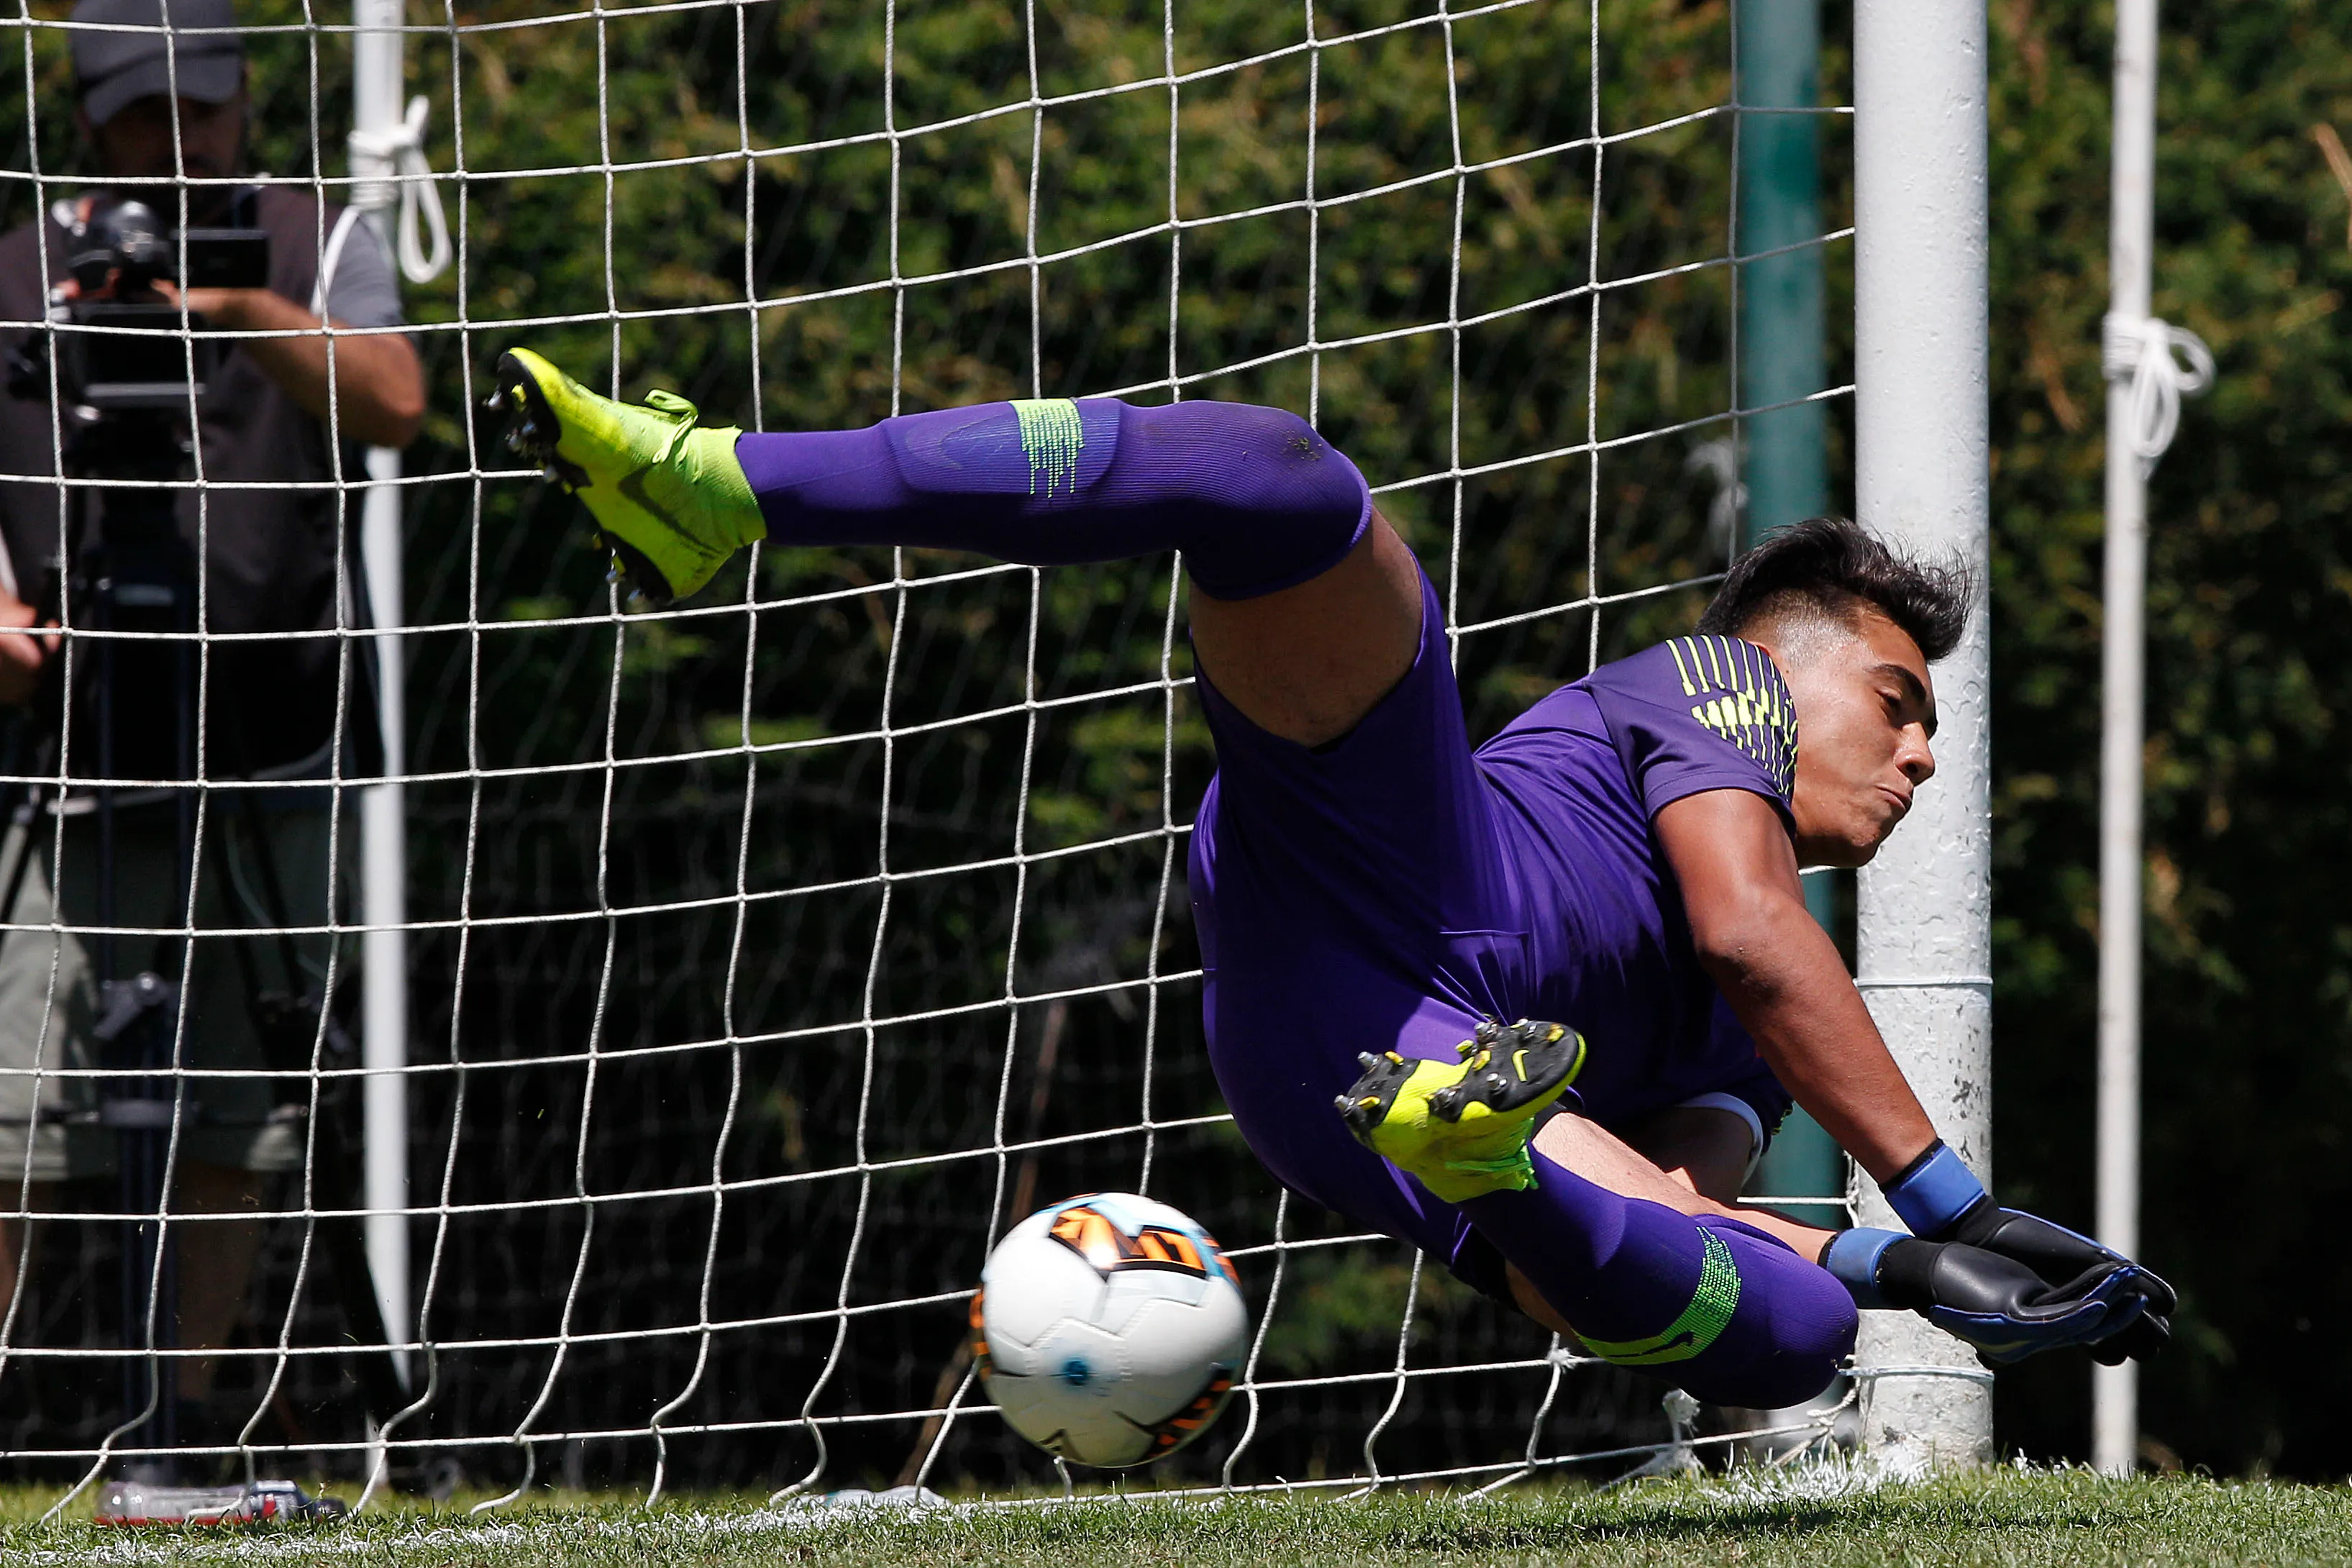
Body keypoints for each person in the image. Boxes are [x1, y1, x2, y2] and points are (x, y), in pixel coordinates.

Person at [490, 349, 2170, 1409]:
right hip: (1390, 865)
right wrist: (1952, 1218)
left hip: (1354, 1053)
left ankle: (1476, 1144)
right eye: (1899, 703)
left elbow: (1643, 1240)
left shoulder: (1741, 1050)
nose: (1926, 757)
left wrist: (1885, 1278)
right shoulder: (1710, 688)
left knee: (1792, 1340)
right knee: (1278, 484)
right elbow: (1745, 931)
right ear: (1780, 664)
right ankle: (722, 487)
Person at [0, 0, 422, 1439]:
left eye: (202, 107)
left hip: (272, 751)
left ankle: (181, 1420)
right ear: (85, 120)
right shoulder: (17, 270)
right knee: (16, 1127)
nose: (176, 139)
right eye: (140, 113)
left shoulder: (318, 243)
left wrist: (242, 315)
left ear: (245, 104)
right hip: (64, 761)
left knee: (238, 1125)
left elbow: (398, 402)